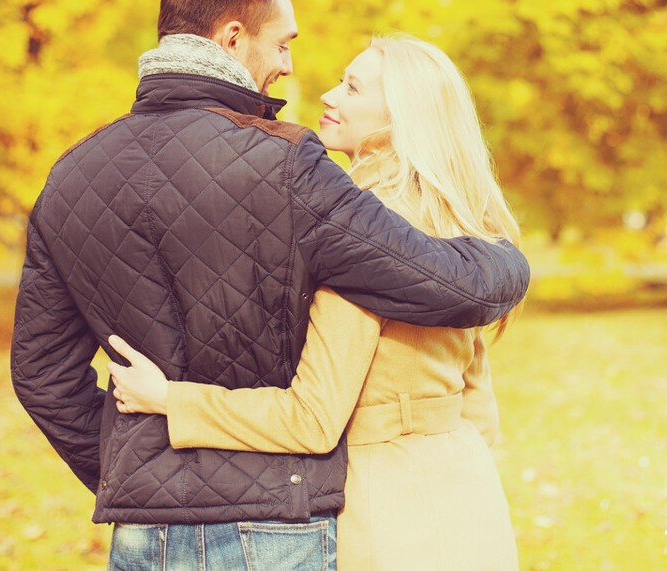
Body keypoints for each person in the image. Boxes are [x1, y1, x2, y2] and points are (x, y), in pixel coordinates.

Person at [10, 0, 531, 571]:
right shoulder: (290, 166)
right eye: (282, 44)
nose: (288, 67)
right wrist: (509, 261)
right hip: (277, 523)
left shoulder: (68, 178)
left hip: (146, 529)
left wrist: (144, 476)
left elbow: (41, 377)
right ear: (233, 37)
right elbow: (447, 285)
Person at [106, 34, 523, 569]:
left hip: (387, 511)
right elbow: (477, 398)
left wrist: (170, 398)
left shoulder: (361, 234)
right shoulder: (457, 223)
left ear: (399, 119)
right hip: (468, 496)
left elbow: (312, 419)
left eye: (352, 87)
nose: (329, 95)